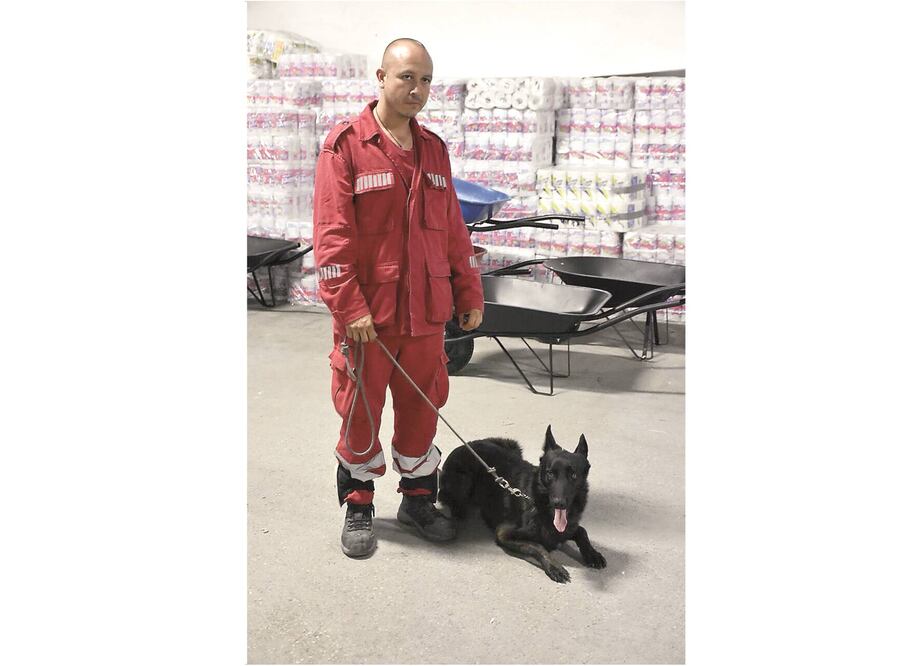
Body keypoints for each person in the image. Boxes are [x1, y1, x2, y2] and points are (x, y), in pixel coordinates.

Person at [313, 38, 484, 558]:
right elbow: (332, 238)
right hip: (370, 318)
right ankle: (360, 504)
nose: (417, 89)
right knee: (360, 413)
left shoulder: (434, 149)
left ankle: (417, 500)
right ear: (381, 77)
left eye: (426, 80)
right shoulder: (345, 146)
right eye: (407, 77)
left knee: (422, 410)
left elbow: (453, 230)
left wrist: (468, 288)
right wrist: (349, 306)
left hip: (426, 317)